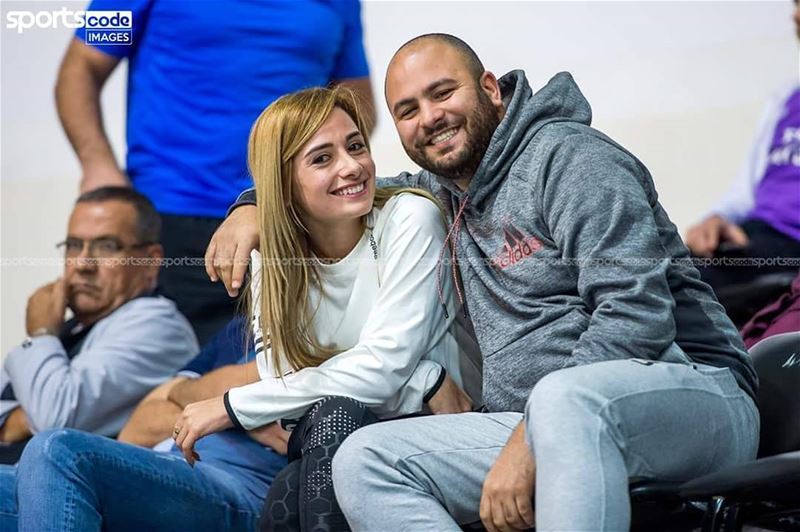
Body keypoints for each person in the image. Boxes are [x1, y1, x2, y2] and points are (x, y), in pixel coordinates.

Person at [209, 34, 759, 531]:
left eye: (442, 92)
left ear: (491, 89)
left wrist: (530, 439)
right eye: (407, 110)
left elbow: (636, 313)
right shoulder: (443, 189)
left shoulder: (571, 159)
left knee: (566, 401)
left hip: (693, 393)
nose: (429, 117)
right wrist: (252, 206)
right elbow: (341, 192)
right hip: (533, 422)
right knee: (365, 460)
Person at [171, 86, 480, 531]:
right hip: (354, 434)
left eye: (355, 146)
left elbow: (376, 370)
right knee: (291, 487)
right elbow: (290, 397)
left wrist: (232, 405)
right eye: (322, 158)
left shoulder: (409, 218)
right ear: (282, 184)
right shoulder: (271, 260)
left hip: (451, 430)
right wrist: (420, 379)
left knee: (305, 467)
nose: (351, 165)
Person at [55, 0, 376, 344]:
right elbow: (82, 65)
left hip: (282, 221)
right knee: (160, 376)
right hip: (169, 217)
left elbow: (356, 100)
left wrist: (328, 174)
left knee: (278, 374)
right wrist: (97, 166)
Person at [0, 317, 289, 531]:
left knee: (57, 452)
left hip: (245, 489)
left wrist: (191, 395)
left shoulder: (320, 326)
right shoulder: (238, 327)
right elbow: (136, 429)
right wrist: (232, 412)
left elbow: (262, 379)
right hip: (165, 467)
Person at [0, 186, 197, 464]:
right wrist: (15, 418)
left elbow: (53, 419)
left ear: (151, 262)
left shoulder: (158, 326)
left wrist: (41, 334)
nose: (83, 263)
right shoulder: (71, 328)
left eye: (106, 246)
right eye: (73, 245)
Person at [684, 0, 800, 296]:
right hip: (755, 239)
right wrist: (717, 219)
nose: (795, 15)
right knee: (658, 269)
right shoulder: (785, 98)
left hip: (788, 254)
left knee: (677, 292)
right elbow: (744, 194)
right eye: (796, 4)